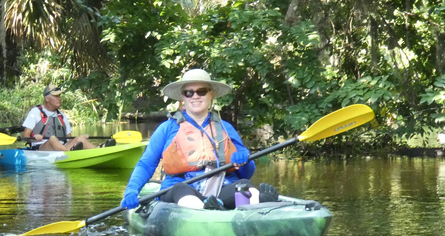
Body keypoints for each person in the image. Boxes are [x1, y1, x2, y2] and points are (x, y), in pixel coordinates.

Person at [121, 69, 278, 211]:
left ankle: (260, 203)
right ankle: (207, 210)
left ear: (211, 94)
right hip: (182, 192)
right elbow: (146, 164)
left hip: (221, 188)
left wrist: (244, 161)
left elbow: (246, 172)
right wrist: (132, 190)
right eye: (189, 93)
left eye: (201, 92)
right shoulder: (167, 128)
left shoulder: (225, 128)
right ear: (183, 97)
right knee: (180, 188)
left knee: (243, 186)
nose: (195, 96)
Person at [21, 85, 101, 151]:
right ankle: (69, 154)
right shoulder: (35, 112)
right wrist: (34, 138)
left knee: (80, 138)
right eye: (56, 96)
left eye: (59, 96)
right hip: (41, 148)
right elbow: (25, 136)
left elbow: (69, 138)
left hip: (61, 147)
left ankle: (99, 150)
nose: (59, 98)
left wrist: (77, 139)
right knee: (52, 139)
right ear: (47, 99)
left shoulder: (61, 115)